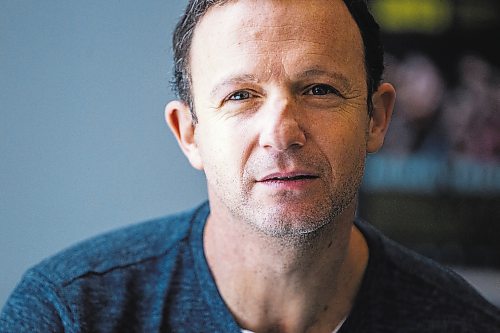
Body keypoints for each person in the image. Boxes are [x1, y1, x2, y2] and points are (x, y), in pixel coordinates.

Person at [1, 0, 499, 332]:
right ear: (189, 134)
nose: (281, 132)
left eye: (319, 89)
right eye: (241, 95)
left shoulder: (465, 323)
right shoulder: (67, 314)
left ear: (376, 118)